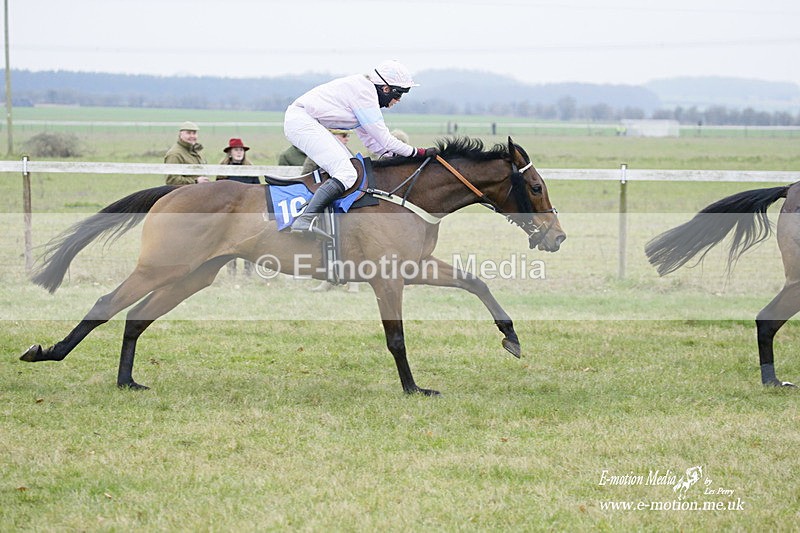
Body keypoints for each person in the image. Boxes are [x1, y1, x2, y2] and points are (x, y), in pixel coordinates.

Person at [283, 59, 439, 235]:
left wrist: (396, 157)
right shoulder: (365, 94)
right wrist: (419, 152)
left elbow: (373, 143)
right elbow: (386, 140)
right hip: (301, 122)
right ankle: (304, 219)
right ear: (386, 89)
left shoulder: (364, 93)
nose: (398, 100)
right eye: (399, 94)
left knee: (353, 170)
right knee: (347, 173)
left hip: (306, 121)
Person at [217, 138, 259, 277]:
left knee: (249, 242)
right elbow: (218, 192)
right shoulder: (223, 171)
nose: (239, 152)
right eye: (236, 150)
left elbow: (257, 188)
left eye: (241, 150)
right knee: (231, 243)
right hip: (230, 212)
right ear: (230, 152)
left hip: (248, 212)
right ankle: (231, 273)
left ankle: (248, 273)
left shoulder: (250, 169)